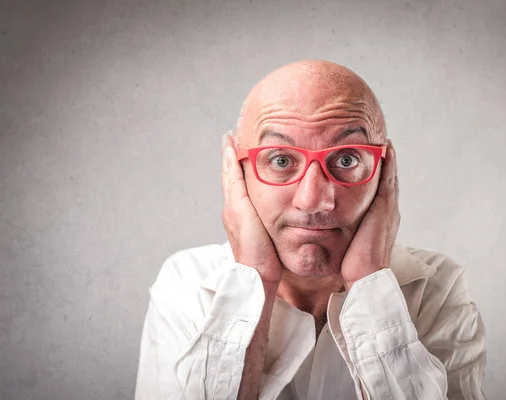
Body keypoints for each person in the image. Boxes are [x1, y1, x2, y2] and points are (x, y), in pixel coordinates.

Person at [134, 60, 487, 400]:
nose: (314, 200)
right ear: (236, 173)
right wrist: (254, 278)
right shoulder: (185, 284)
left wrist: (370, 283)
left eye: (347, 159)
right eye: (281, 160)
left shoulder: (438, 289)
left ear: (384, 171)